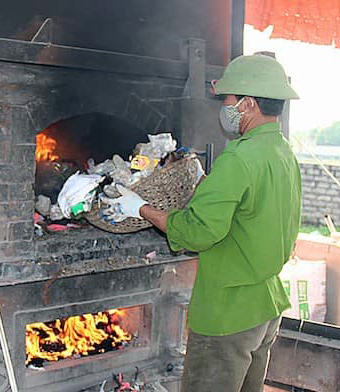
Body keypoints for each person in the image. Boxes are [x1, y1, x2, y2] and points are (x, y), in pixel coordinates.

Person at [101, 54, 301, 391]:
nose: (225, 107)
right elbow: (254, 213)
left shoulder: (239, 157)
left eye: (228, 100)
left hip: (228, 313)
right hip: (265, 305)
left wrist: (141, 209)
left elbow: (197, 232)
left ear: (248, 104)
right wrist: (210, 187)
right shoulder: (282, 152)